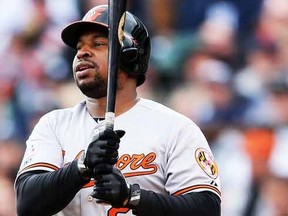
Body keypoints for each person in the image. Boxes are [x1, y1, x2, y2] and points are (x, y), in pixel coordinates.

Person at [15, 4, 221, 216]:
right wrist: (81, 167)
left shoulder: (175, 128)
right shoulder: (54, 125)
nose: (83, 53)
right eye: (79, 47)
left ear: (130, 54)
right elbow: (27, 203)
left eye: (98, 44)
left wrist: (131, 197)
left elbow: (206, 208)